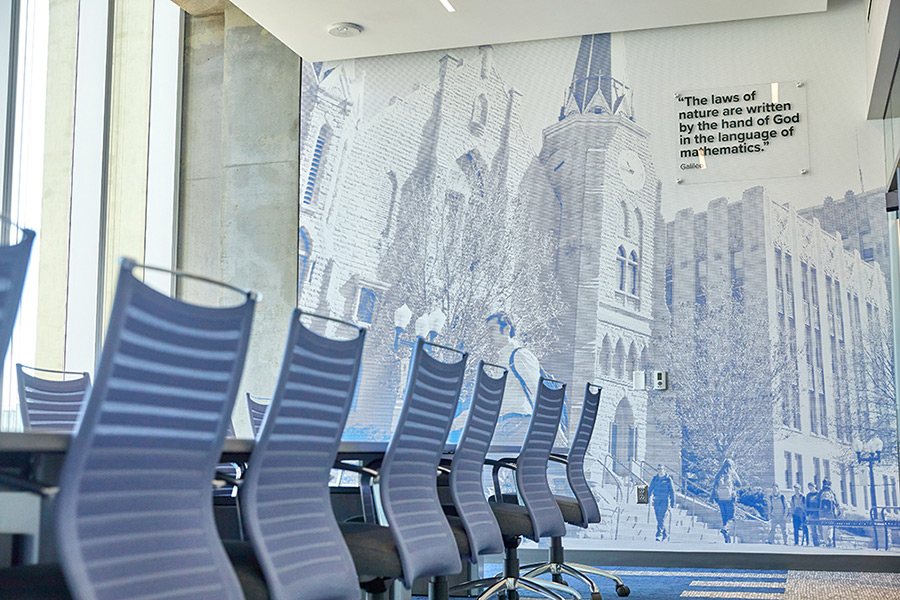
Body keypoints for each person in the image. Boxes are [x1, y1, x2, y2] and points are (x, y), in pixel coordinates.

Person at [712, 458, 742, 543]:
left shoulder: (719, 473)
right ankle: (725, 528)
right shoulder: (732, 473)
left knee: (724, 517)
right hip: (730, 499)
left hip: (720, 499)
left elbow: (714, 486)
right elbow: (739, 484)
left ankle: (727, 537)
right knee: (731, 517)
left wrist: (714, 497)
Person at [648, 464, 676, 541]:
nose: (660, 470)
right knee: (658, 518)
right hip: (656, 500)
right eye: (658, 469)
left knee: (662, 517)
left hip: (665, 500)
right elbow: (650, 489)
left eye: (661, 469)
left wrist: (673, 502)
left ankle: (659, 534)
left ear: (664, 470)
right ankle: (665, 533)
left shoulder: (668, 479)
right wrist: (647, 498)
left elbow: (672, 491)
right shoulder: (655, 479)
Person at [818, 478, 840, 547]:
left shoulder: (820, 492)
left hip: (822, 512)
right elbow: (837, 503)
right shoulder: (832, 492)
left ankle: (826, 541)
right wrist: (838, 511)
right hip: (830, 513)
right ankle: (829, 539)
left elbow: (817, 502)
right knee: (830, 527)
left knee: (824, 528)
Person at [806, 482, 821, 547]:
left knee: (819, 529)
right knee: (813, 529)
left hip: (818, 514)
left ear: (814, 486)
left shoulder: (818, 494)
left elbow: (821, 503)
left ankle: (821, 542)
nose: (810, 488)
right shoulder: (808, 495)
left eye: (811, 487)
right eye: (809, 487)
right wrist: (807, 514)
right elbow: (807, 505)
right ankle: (816, 543)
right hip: (811, 514)